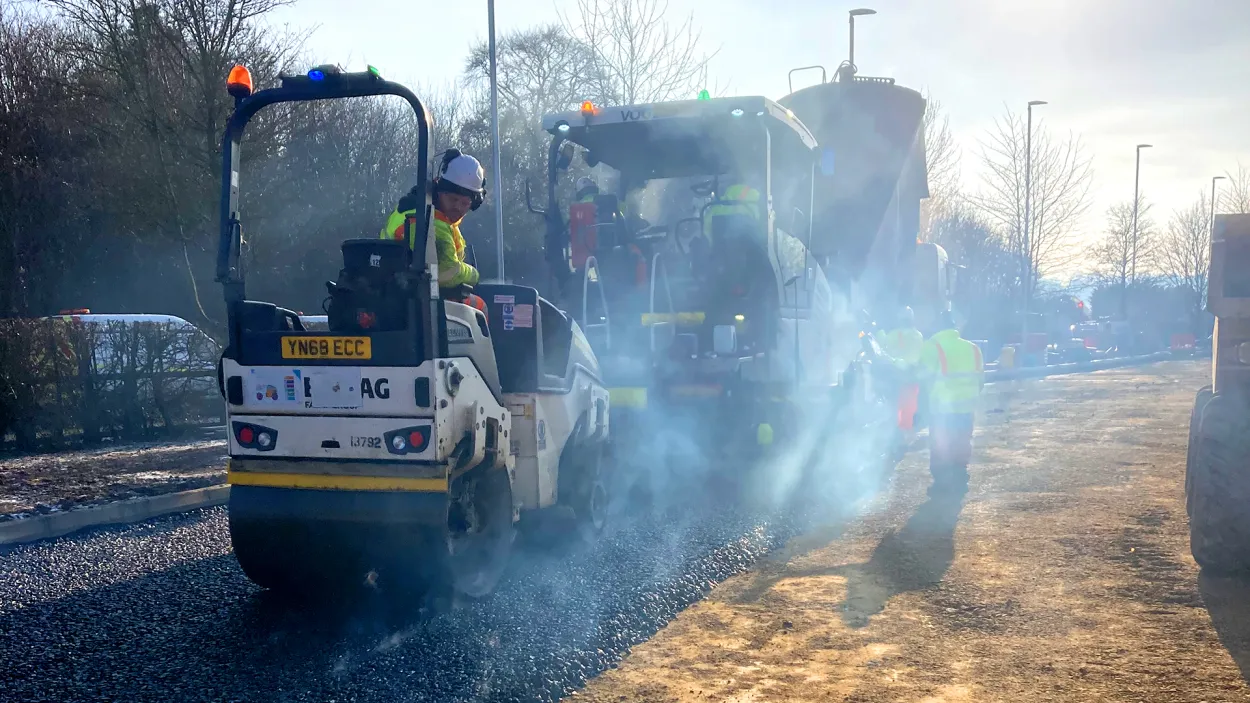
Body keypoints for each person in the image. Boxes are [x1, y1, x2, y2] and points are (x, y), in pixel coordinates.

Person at [380, 149, 487, 313]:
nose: (457, 207)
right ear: (439, 190)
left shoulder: (414, 209)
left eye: (465, 203)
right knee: (479, 306)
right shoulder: (431, 222)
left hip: (399, 293)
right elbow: (447, 271)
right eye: (452, 199)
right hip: (416, 301)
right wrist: (473, 274)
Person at [918, 311, 984, 497]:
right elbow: (981, 381)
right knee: (962, 440)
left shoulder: (931, 347)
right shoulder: (973, 348)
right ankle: (959, 475)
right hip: (967, 407)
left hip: (942, 408)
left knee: (941, 444)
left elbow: (922, 377)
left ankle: (943, 483)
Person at [881, 306, 925, 435]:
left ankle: (896, 433)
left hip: (897, 376)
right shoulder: (918, 335)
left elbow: (883, 350)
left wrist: (879, 331)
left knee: (895, 407)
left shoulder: (894, 335)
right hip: (912, 376)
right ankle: (905, 432)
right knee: (909, 407)